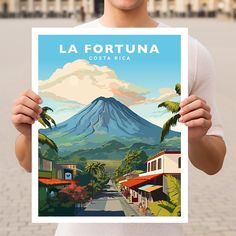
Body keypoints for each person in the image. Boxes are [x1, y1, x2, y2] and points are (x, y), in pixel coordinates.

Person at [12, 0, 226, 235]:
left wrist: (196, 139)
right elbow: (28, 164)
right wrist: (28, 134)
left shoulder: (191, 51)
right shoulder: (58, 46)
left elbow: (213, 164)